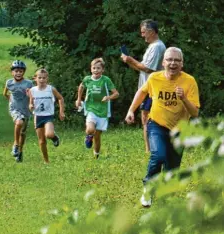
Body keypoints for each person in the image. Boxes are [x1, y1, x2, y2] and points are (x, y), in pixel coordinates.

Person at [125, 47, 200, 207]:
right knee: (158, 156)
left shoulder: (189, 81)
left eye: (177, 60)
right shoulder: (154, 78)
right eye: (170, 60)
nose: (173, 63)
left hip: (179, 130)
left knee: (172, 169)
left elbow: (195, 113)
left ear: (182, 64)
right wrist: (131, 110)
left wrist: (184, 98)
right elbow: (142, 92)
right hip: (157, 124)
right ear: (163, 62)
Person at [121, 19, 166, 153]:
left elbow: (147, 69)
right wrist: (129, 61)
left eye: (143, 32)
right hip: (147, 88)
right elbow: (141, 68)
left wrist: (130, 59)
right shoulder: (153, 47)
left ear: (151, 32)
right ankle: (149, 149)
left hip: (152, 89)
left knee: (148, 119)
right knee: (145, 118)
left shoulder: (157, 47)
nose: (142, 35)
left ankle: (151, 150)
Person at [75, 58, 119, 159]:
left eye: (98, 68)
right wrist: (78, 99)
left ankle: (96, 156)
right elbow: (81, 87)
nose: (96, 70)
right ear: (91, 69)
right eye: (94, 68)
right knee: (90, 129)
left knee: (97, 136)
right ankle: (88, 136)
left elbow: (116, 94)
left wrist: (108, 97)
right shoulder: (87, 79)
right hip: (91, 108)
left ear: (102, 70)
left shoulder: (105, 80)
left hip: (103, 111)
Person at [29, 69, 65, 163]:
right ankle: (46, 161)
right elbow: (30, 104)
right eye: (39, 78)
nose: (42, 80)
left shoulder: (51, 89)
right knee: (42, 141)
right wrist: (31, 106)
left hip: (48, 116)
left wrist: (61, 112)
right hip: (38, 116)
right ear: (35, 79)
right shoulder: (32, 90)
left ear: (47, 79)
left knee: (49, 134)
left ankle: (54, 137)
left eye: (44, 78)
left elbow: (60, 98)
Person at [3, 60, 33, 162]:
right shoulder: (9, 82)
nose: (18, 73)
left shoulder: (29, 83)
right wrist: (11, 101)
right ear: (12, 72)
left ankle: (20, 151)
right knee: (19, 122)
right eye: (16, 71)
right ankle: (15, 144)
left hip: (26, 110)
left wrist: (30, 101)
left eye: (20, 71)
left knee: (23, 133)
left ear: (23, 72)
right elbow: (5, 94)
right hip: (15, 109)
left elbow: (32, 96)